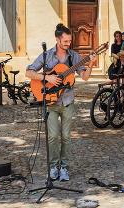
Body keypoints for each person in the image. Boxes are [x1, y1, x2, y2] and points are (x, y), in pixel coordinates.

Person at [25, 23, 97, 181]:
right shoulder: (48, 55)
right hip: (50, 103)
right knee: (52, 137)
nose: (68, 44)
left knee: (66, 137)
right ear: (57, 40)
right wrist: (48, 77)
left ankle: (64, 167)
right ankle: (53, 167)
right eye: (65, 41)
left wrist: (91, 62)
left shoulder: (74, 56)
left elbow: (85, 77)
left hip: (67, 102)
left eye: (69, 41)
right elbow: (29, 72)